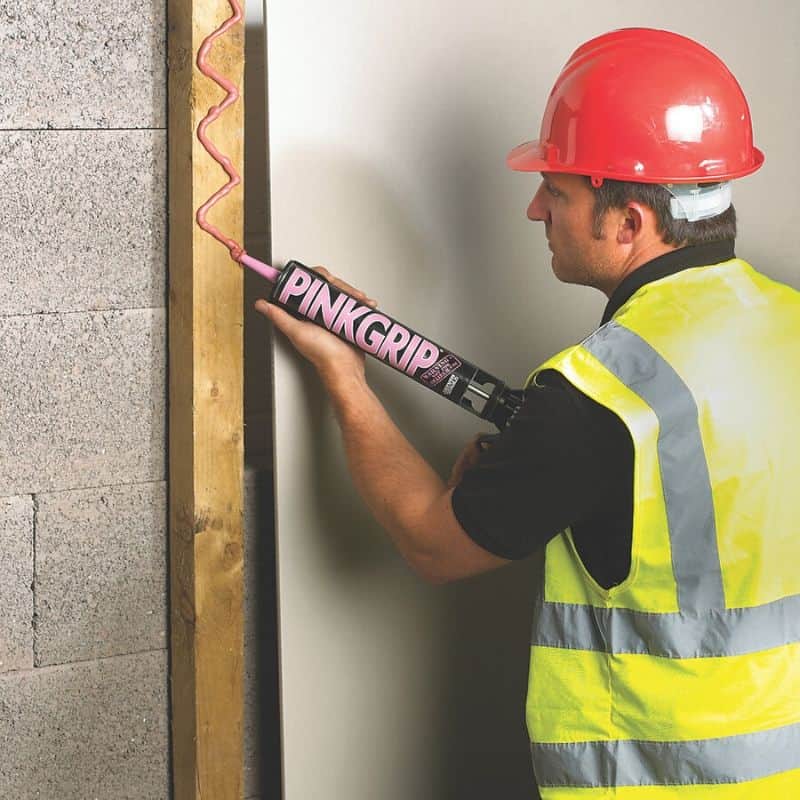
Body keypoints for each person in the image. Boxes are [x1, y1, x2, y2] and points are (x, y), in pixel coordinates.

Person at [256, 28, 800, 798]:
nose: (535, 208)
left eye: (561, 191)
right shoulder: (790, 323)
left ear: (631, 222)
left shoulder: (600, 395)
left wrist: (344, 376)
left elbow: (432, 545)